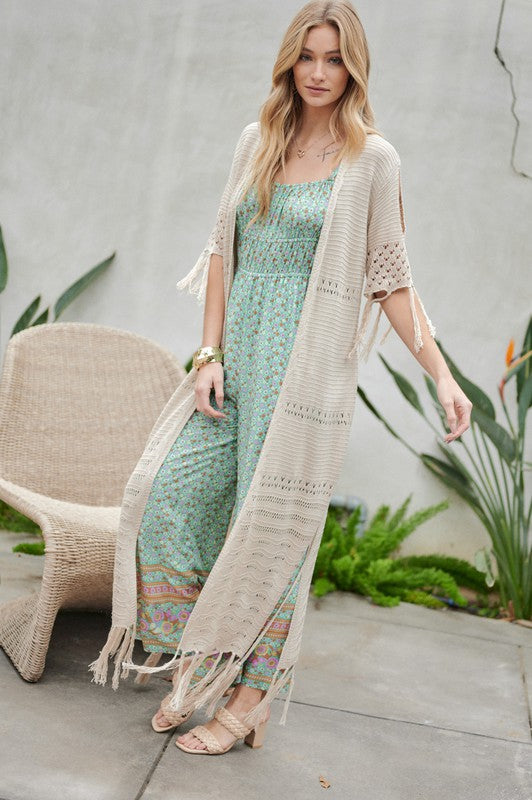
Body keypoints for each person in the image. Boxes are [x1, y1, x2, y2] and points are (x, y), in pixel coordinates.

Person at [89, 0, 472, 756]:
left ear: (353, 67)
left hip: (305, 382)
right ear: (289, 62)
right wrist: (207, 355)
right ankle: (199, 665)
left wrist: (443, 375)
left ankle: (248, 699)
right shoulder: (256, 142)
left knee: (271, 535)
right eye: (308, 57)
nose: (320, 73)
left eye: (335, 59)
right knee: (170, 495)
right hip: (236, 366)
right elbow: (222, 250)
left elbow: (392, 282)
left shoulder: (373, 161)